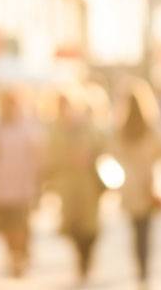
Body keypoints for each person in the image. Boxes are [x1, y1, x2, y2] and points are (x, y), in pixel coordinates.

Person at [109, 84, 161, 288]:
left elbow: (114, 154)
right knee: (146, 230)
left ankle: (140, 267)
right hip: (148, 185)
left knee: (136, 230)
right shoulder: (150, 127)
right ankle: (144, 269)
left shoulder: (121, 130)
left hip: (130, 188)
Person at [0, 91, 44, 277]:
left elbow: (37, 156)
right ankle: (13, 256)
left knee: (22, 224)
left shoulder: (27, 128)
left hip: (23, 187)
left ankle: (21, 255)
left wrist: (36, 179)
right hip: (3, 188)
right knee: (7, 225)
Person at [46, 94, 104, 282]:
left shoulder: (88, 127)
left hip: (89, 184)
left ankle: (86, 260)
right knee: (73, 227)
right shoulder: (56, 129)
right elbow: (51, 156)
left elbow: (102, 147)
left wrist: (90, 158)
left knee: (90, 227)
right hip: (69, 185)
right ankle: (81, 261)